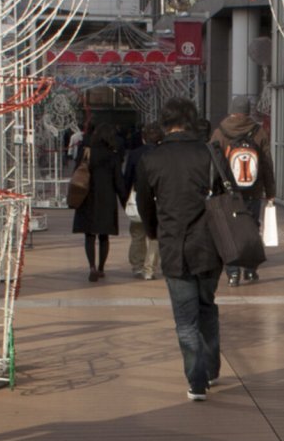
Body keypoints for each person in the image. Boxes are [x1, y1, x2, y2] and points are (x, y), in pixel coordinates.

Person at [135, 98, 225, 401]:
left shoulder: (152, 159)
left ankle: (196, 381)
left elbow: (144, 204)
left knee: (186, 319)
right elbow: (226, 196)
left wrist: (153, 231)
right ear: (192, 120)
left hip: (174, 244)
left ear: (165, 122)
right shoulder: (211, 153)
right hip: (211, 244)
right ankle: (211, 369)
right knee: (207, 307)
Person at [210, 95, 274, 285]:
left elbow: (214, 162)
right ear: (248, 111)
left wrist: (213, 189)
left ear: (232, 109)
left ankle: (233, 272)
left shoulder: (220, 131)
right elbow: (267, 164)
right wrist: (270, 191)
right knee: (252, 229)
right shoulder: (259, 132)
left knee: (229, 230)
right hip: (253, 190)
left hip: (228, 190)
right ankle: (250, 270)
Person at [71, 121, 124, 281]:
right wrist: (124, 199)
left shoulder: (85, 152)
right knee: (103, 235)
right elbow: (118, 180)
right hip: (106, 199)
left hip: (87, 196)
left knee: (89, 234)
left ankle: (92, 266)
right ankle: (101, 267)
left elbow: (76, 173)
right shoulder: (113, 155)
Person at [123, 123, 164, 280]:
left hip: (139, 197)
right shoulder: (163, 154)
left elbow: (127, 178)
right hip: (158, 198)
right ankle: (150, 269)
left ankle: (137, 266)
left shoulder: (134, 154)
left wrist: (125, 197)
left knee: (137, 233)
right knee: (154, 236)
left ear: (143, 138)